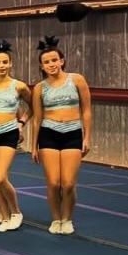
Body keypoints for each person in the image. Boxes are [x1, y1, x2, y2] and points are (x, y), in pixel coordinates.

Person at [32, 36, 92, 236]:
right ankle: (56, 218)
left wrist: (87, 137)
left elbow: (87, 110)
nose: (51, 64)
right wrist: (34, 146)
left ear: (62, 61)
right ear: (42, 65)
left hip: (72, 132)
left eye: (54, 60)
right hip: (49, 133)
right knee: (53, 182)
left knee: (68, 183)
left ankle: (67, 218)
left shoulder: (76, 80)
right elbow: (37, 118)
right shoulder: (40, 88)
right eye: (46, 62)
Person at [0, 41, 29, 233]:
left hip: (9, 131)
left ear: (10, 64)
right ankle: (4, 215)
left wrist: (22, 123)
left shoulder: (19, 86)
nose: (1, 66)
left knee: (1, 176)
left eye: (5, 62)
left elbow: (33, 106)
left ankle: (16, 212)